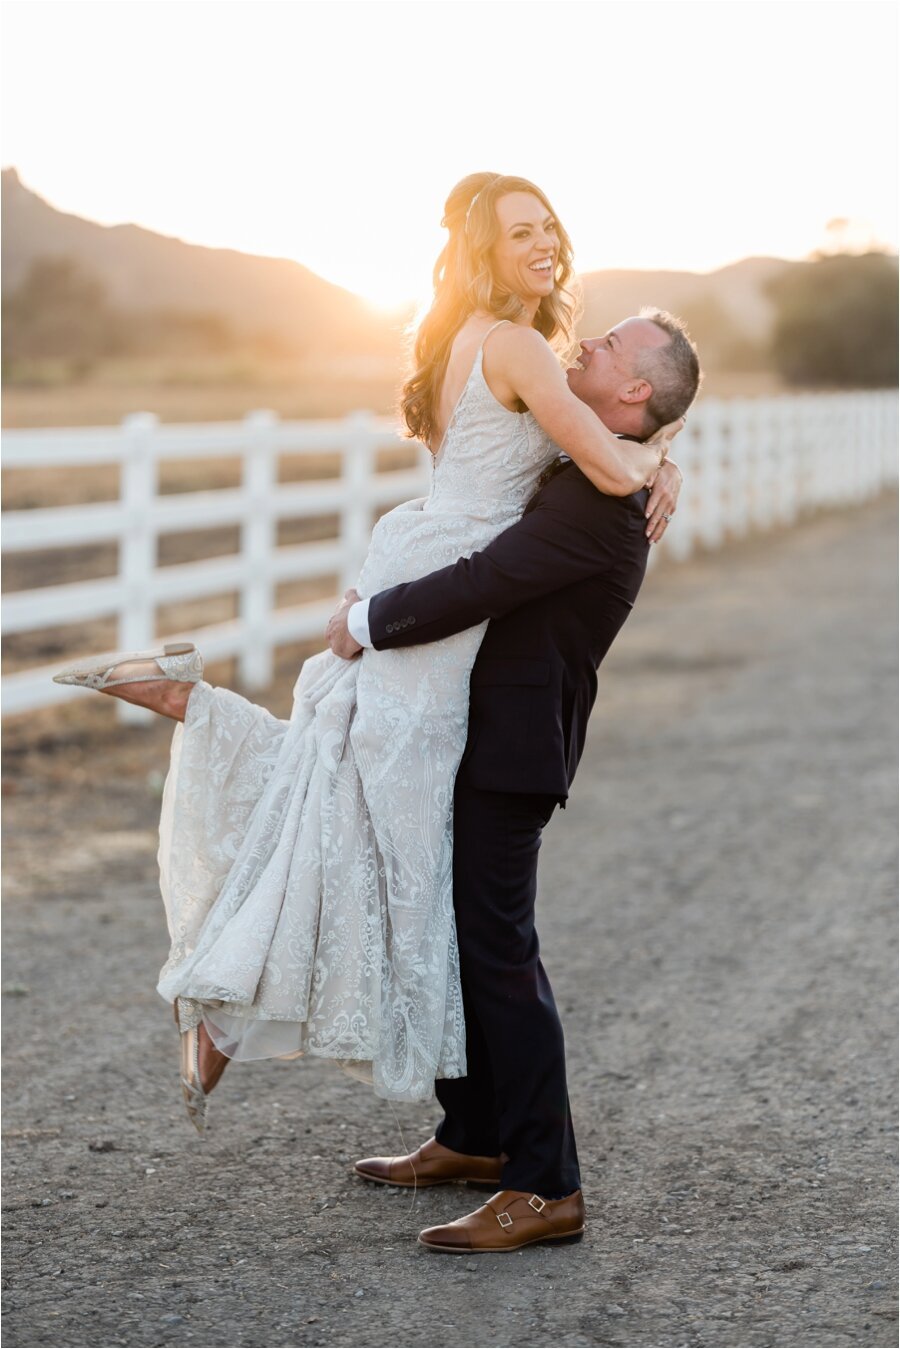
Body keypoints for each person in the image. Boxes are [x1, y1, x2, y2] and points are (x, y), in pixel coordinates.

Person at [52, 173, 679, 1139]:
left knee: (344, 773)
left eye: (547, 224)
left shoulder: (464, 337)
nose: (544, 242)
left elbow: (578, 439)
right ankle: (233, 998)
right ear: (483, 249)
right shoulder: (516, 343)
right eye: (520, 231)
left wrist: (657, 446)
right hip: (448, 579)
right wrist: (661, 461)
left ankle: (195, 725)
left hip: (420, 552)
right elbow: (603, 461)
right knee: (377, 817)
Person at [323, 308, 700, 1252]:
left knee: (499, 954)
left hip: (513, 749)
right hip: (477, 734)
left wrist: (369, 619)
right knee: (456, 935)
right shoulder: (599, 468)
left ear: (635, 393)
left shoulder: (600, 498)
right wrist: (665, 458)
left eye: (608, 346)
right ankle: (476, 1135)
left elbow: (489, 576)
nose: (587, 346)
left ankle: (545, 1186)